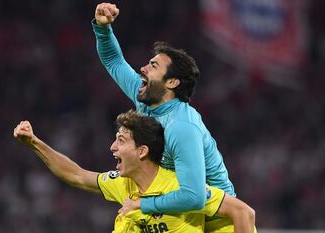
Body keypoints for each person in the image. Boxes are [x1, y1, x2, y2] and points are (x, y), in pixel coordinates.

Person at [92, 2, 236, 219]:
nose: (143, 68)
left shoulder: (181, 126)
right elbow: (114, 61)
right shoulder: (146, 99)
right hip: (185, 215)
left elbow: (194, 196)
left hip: (218, 222)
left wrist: (143, 204)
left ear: (172, 83)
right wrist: (103, 29)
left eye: (153, 66)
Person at [13, 110, 255, 233]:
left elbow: (243, 212)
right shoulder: (122, 183)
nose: (112, 146)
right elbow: (76, 175)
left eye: (121, 140)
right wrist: (34, 143)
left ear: (142, 151)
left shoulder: (181, 188)